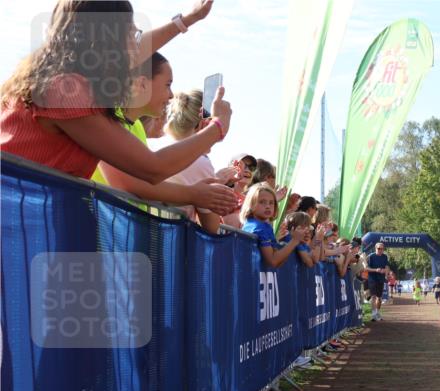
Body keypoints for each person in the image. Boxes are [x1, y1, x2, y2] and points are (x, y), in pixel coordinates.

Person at [1, 1, 230, 185]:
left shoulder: (56, 77)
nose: (135, 43)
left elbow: (137, 52)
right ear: (107, 41)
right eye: (131, 34)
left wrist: (188, 19)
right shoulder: (65, 91)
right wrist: (217, 127)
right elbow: (153, 168)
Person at [162, 88, 237, 234]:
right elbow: (211, 226)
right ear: (205, 125)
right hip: (172, 242)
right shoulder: (200, 162)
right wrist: (215, 183)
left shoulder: (159, 148)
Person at [241, 183, 303, 269]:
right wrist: (295, 241)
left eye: (271, 203)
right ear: (251, 204)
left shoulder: (262, 225)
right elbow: (273, 261)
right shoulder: (258, 227)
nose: (267, 206)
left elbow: (278, 263)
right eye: (262, 202)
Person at [367, 243, 390, 320]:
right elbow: (366, 268)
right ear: (375, 248)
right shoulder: (371, 256)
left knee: (379, 297)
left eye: (382, 249)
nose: (380, 250)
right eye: (379, 248)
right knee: (373, 296)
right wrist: (376, 270)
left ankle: (377, 312)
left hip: (381, 279)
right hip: (372, 278)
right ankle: (373, 314)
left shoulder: (385, 256)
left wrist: (386, 274)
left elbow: (386, 267)